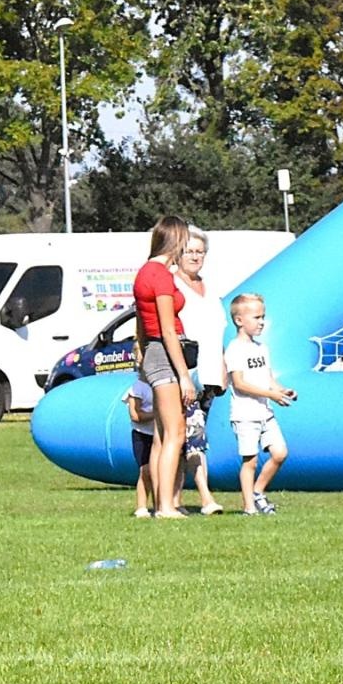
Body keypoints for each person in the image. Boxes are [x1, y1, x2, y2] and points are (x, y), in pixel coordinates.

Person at [132, 215, 196, 518]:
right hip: (166, 353)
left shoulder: (144, 272)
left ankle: (161, 503)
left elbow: (142, 324)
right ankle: (167, 506)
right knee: (175, 432)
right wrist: (184, 376)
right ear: (177, 241)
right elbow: (167, 329)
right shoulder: (160, 276)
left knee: (160, 434)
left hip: (153, 351)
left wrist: (143, 353)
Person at [225, 293, 295, 514]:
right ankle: (249, 508)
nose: (261, 322)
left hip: (265, 412)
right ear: (239, 321)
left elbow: (268, 378)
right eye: (256, 317)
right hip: (245, 414)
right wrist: (269, 393)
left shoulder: (261, 348)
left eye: (263, 317)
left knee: (280, 453)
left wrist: (281, 390)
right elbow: (239, 383)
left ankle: (257, 492)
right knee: (251, 461)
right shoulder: (235, 349)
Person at [173, 226, 225, 514]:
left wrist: (224, 368)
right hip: (186, 372)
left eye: (199, 251)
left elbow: (217, 331)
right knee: (193, 436)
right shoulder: (173, 287)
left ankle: (175, 499)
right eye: (189, 251)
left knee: (188, 437)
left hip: (210, 375)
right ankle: (206, 498)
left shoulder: (210, 288)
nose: (194, 256)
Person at [125, 365, 156, 518]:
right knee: (146, 470)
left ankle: (160, 504)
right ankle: (142, 506)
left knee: (158, 470)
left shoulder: (161, 385)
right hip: (142, 434)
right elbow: (135, 415)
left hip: (157, 433)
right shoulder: (137, 387)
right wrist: (157, 414)